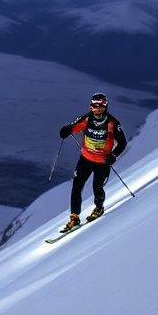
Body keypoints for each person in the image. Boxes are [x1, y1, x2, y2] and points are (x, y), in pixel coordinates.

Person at [57, 92, 127, 232]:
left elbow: (122, 143)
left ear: (105, 106)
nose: (98, 108)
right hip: (85, 160)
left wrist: (114, 156)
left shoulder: (113, 123)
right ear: (90, 106)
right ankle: (74, 218)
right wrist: (65, 130)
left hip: (102, 162)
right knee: (76, 187)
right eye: (95, 105)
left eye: (101, 105)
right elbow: (72, 127)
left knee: (97, 187)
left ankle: (99, 208)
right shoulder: (86, 119)